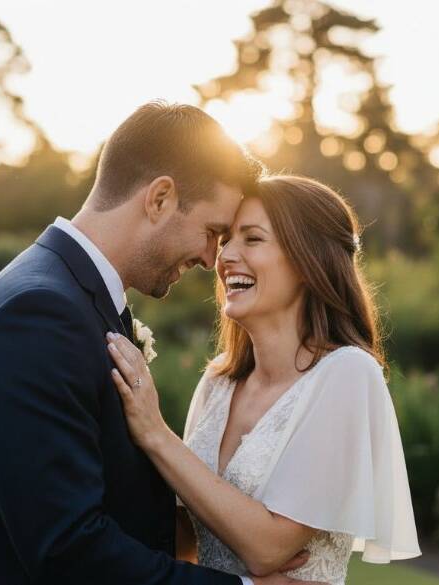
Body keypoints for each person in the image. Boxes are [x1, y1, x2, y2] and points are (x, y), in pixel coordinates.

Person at [0, 102, 316, 585]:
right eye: (212, 232)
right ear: (159, 199)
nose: (211, 258)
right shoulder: (37, 316)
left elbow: (117, 504)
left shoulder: (68, 297)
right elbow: (69, 549)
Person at [107, 175, 421, 585]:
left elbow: (268, 547)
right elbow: (183, 543)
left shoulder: (346, 375)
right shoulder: (216, 384)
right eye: (225, 241)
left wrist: (154, 433)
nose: (225, 257)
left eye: (252, 240)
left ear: (309, 260)